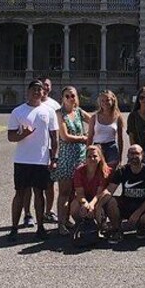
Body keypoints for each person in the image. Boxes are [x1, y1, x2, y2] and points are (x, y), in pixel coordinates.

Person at [6, 80, 58, 241]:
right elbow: (11, 136)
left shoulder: (49, 112)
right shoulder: (18, 112)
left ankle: (40, 227)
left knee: (39, 193)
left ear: (43, 93)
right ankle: (14, 228)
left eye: (39, 90)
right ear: (27, 92)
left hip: (41, 159)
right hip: (22, 159)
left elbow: (54, 138)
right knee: (20, 193)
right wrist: (24, 134)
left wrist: (54, 158)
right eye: (34, 89)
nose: (37, 92)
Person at [101, 144, 145, 243]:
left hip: (142, 207)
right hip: (126, 204)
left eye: (137, 153)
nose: (134, 156)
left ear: (142, 155)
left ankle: (141, 227)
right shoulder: (122, 171)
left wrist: (138, 213)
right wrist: (98, 206)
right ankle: (116, 230)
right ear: (127, 156)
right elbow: (109, 190)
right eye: (131, 153)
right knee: (110, 201)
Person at [54, 85, 88, 235]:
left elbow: (95, 120)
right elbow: (64, 136)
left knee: (76, 192)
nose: (70, 98)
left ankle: (68, 220)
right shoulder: (60, 113)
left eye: (72, 95)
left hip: (81, 157)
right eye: (67, 96)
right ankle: (61, 224)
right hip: (67, 158)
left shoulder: (79, 112)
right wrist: (85, 138)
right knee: (64, 192)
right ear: (62, 98)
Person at [70, 145, 111, 232]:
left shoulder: (104, 172)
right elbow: (80, 193)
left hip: (98, 199)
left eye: (95, 156)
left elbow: (99, 194)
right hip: (85, 197)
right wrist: (85, 204)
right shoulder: (79, 171)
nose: (92, 159)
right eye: (89, 156)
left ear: (100, 158)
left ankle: (101, 225)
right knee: (74, 206)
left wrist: (91, 205)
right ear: (85, 158)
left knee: (100, 208)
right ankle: (82, 225)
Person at [87, 90, 125, 168]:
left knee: (111, 173)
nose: (105, 102)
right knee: (97, 172)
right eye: (102, 100)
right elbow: (90, 136)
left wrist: (120, 157)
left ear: (113, 100)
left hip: (111, 147)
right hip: (97, 147)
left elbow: (120, 138)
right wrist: (87, 153)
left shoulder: (118, 117)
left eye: (107, 100)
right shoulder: (94, 117)